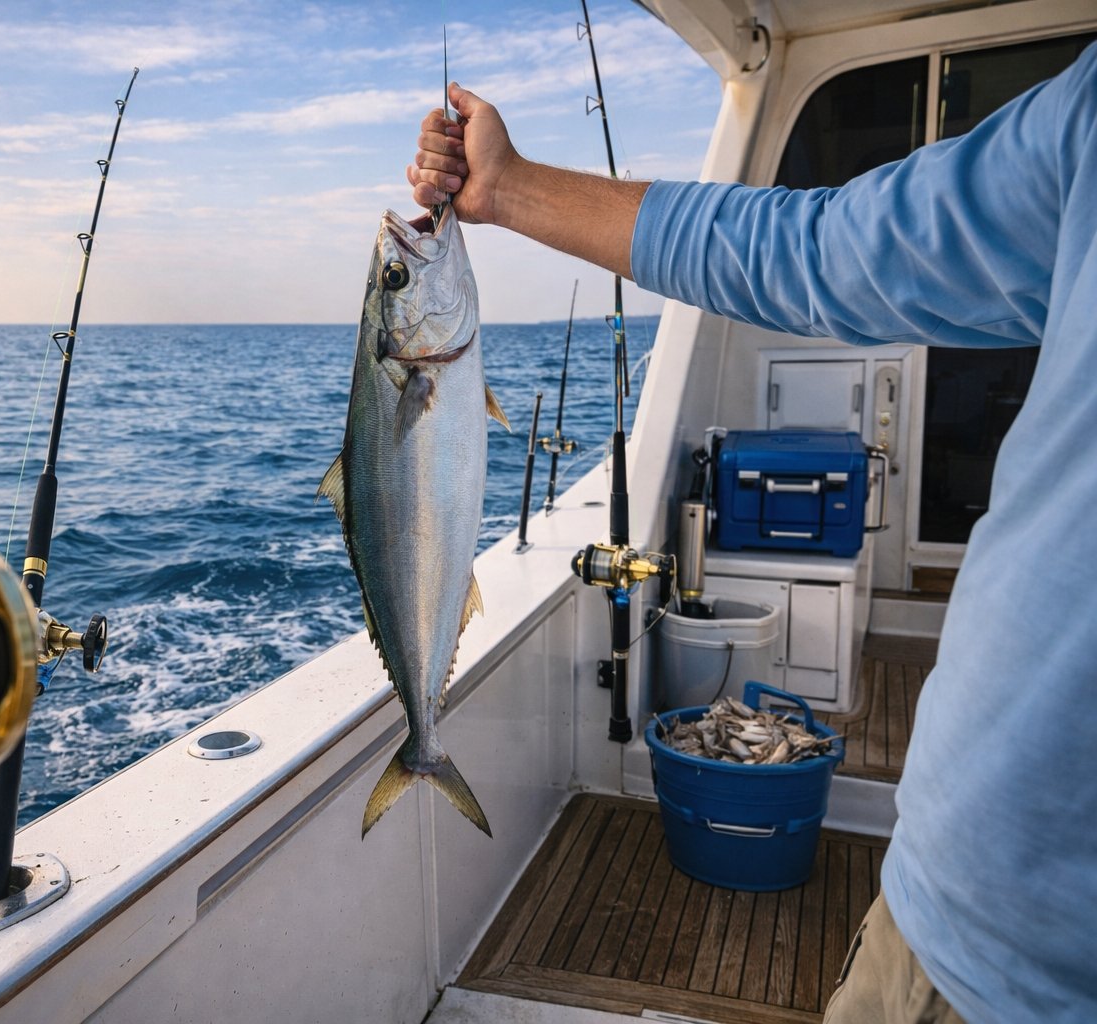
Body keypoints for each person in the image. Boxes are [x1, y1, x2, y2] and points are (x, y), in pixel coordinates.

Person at [407, 42, 1097, 1024]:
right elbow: (823, 248)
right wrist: (509, 187)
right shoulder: (1086, 119)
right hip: (954, 917)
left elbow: (821, 253)